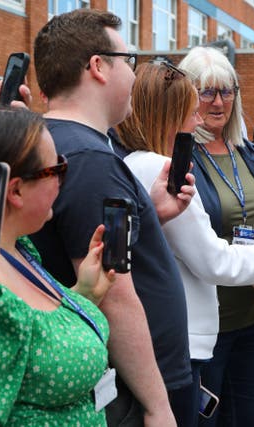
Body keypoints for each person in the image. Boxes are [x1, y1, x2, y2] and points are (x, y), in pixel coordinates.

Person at [116, 61, 254, 426]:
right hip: (189, 335)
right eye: (192, 108)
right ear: (169, 114)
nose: (199, 119)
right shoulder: (165, 170)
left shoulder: (134, 163)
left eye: (226, 92)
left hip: (231, 322)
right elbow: (214, 260)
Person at [30, 9, 190, 426]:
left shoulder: (51, 144)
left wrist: (149, 213)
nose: (136, 77)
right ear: (98, 67)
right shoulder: (90, 160)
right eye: (129, 61)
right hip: (125, 391)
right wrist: (157, 405)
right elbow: (112, 290)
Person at [0, 106, 115, 425]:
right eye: (56, 169)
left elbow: (34, 349)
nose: (61, 179)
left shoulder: (18, 249)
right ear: (15, 189)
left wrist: (82, 293)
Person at [179, 46, 254, 427]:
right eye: (207, 91)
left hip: (253, 322)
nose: (218, 101)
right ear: (187, 94)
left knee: (251, 419)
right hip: (206, 328)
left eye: (227, 91)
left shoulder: (250, 153)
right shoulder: (181, 156)